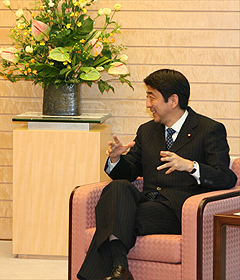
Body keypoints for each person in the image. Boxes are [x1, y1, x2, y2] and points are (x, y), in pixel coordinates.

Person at [77, 69, 237, 280]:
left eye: (151, 96)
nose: (147, 104)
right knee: (116, 188)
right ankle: (119, 268)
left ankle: (108, 271)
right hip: (147, 201)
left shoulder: (208, 129)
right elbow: (129, 173)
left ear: (173, 100)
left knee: (114, 217)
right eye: (147, 96)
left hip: (179, 208)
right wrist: (116, 159)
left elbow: (226, 177)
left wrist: (190, 166)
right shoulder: (147, 130)